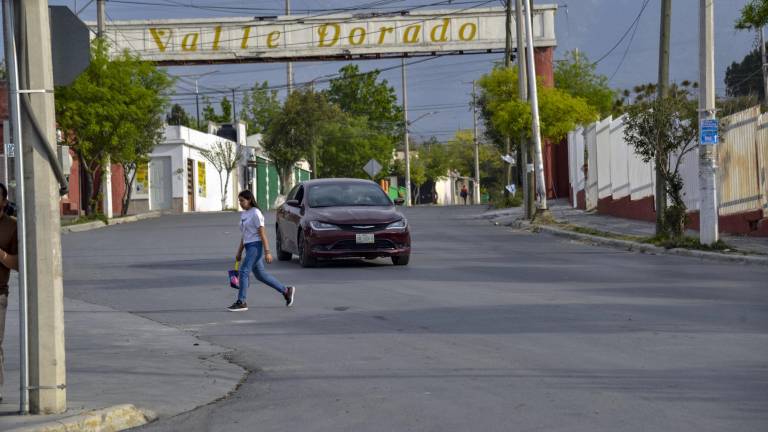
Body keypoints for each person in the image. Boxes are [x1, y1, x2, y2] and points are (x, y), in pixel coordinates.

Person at [229, 190, 295, 312]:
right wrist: (239, 252)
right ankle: (286, 290)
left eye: (242, 201)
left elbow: (262, 233)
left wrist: (267, 251)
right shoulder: (244, 214)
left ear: (249, 200)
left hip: (256, 246)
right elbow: (244, 235)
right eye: (239, 201)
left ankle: (241, 301)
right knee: (261, 275)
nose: (240, 203)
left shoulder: (256, 213)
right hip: (249, 247)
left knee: (243, 271)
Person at [0, 182, 18, 403]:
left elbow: (18, 263)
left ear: (4, 201)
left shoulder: (12, 226)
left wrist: (2, 255)